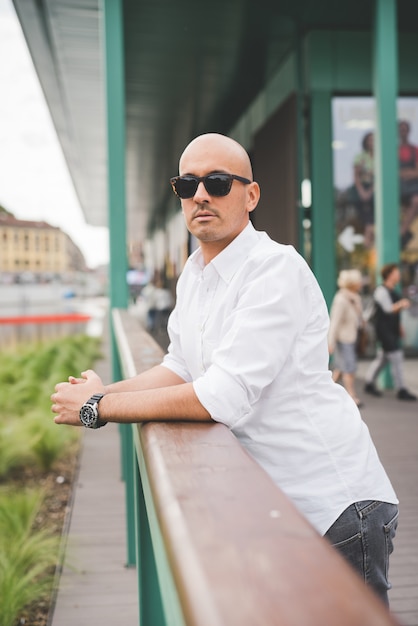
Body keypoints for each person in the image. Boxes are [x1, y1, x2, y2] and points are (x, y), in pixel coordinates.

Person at [51, 133, 398, 605]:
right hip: (274, 505)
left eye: (217, 182)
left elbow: (220, 397)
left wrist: (98, 407)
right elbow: (178, 366)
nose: (200, 195)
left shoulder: (274, 270)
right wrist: (102, 390)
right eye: (187, 184)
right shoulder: (195, 273)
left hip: (333, 507)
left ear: (251, 195)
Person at [364, 262, 416, 401]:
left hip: (392, 329)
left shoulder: (394, 290)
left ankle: (369, 382)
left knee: (383, 358)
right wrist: (401, 304)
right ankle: (401, 389)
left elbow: (395, 314)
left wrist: (400, 328)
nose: (398, 274)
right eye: (396, 272)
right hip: (383, 330)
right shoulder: (381, 291)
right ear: (389, 275)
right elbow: (388, 309)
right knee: (397, 357)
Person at [328, 269, 364, 407]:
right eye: (358, 281)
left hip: (352, 337)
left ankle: (327, 391)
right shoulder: (341, 299)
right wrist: (330, 342)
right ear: (352, 283)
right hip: (343, 339)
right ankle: (352, 395)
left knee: (340, 367)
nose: (361, 283)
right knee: (349, 367)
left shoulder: (355, 297)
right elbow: (335, 322)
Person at [349, 132, 375, 248]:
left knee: (371, 220)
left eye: (374, 140)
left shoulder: (381, 157)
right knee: (367, 218)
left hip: (375, 192)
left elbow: (380, 177)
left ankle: (369, 240)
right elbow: (356, 176)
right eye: (370, 140)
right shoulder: (360, 157)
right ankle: (367, 240)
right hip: (361, 192)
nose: (372, 142)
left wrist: (371, 190)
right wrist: (362, 191)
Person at [399, 120, 418, 248]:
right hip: (397, 188)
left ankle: (402, 232)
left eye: (405, 129)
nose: (403, 132)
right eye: (401, 129)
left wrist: (403, 173)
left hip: (412, 188)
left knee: (416, 200)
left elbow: (417, 172)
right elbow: (389, 171)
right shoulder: (391, 149)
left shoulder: (414, 149)